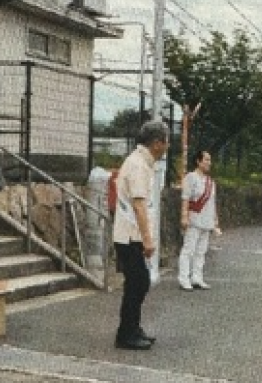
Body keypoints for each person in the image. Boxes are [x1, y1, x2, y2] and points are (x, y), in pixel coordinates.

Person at [113, 120, 169, 351]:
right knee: (138, 284)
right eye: (166, 142)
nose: (167, 147)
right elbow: (139, 206)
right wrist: (147, 239)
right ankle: (126, 334)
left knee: (137, 284)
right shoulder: (138, 165)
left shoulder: (143, 163)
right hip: (130, 237)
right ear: (156, 143)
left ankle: (132, 328)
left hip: (130, 235)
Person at [178, 150, 221, 291]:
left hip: (207, 220)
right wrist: (184, 216)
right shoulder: (191, 177)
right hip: (194, 219)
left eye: (209, 160)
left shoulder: (210, 182)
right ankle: (184, 278)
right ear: (198, 161)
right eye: (206, 160)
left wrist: (215, 221)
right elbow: (186, 198)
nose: (209, 163)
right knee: (188, 250)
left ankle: (197, 277)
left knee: (201, 251)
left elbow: (212, 202)